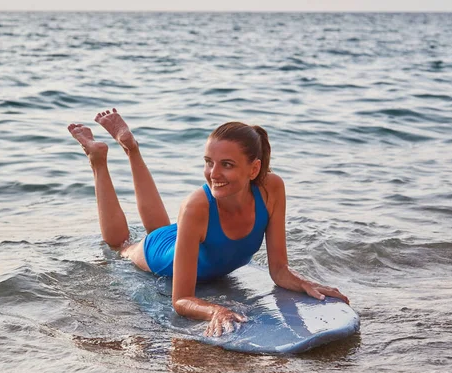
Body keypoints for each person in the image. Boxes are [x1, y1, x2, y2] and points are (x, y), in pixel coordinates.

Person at [68, 108, 350, 337]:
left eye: (227, 164)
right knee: (122, 246)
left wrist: (304, 283)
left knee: (160, 229)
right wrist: (215, 310)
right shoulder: (196, 205)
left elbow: (278, 269)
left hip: (187, 236)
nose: (213, 173)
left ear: (254, 168)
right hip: (160, 254)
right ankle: (98, 159)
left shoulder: (272, 188)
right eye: (208, 162)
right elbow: (180, 301)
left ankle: (131, 148)